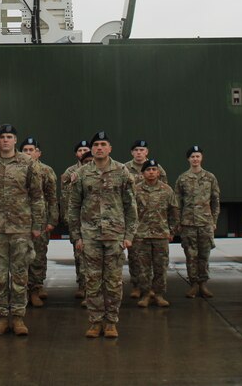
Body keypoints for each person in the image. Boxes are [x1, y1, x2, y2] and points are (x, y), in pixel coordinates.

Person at [66, 131, 136, 339]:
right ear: (91, 149)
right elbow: (73, 207)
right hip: (90, 236)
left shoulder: (122, 172)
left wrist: (129, 234)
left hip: (115, 235)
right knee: (93, 281)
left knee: (114, 281)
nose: (99, 148)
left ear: (110, 148)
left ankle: (111, 322)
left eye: (103, 144)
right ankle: (96, 322)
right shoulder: (82, 174)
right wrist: (77, 236)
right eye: (95, 144)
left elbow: (130, 206)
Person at [0, 124, 45, 337]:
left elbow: (36, 196)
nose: (5, 140)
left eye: (9, 137)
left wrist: (37, 225)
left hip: (20, 228)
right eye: (2, 137)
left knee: (19, 275)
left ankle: (17, 317)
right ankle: (0, 317)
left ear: (15, 140)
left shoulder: (27, 163)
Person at [123, 139, 168, 298]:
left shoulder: (158, 169)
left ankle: (153, 291)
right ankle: (136, 286)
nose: (139, 152)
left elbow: (164, 192)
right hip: (136, 223)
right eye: (136, 150)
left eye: (142, 150)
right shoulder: (125, 169)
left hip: (154, 221)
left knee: (155, 262)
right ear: (132, 152)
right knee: (135, 257)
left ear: (146, 152)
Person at [175, 145, 221, 298]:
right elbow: (177, 203)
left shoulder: (210, 177)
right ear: (188, 159)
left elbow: (215, 201)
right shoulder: (182, 179)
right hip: (188, 223)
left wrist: (214, 220)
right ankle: (193, 284)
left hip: (205, 223)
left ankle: (203, 284)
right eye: (192, 156)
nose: (195, 159)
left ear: (201, 158)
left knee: (204, 255)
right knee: (190, 255)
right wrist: (178, 222)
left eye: (197, 156)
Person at [132, 159, 179, 308]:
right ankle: (146, 294)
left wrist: (172, 230)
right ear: (142, 173)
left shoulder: (167, 190)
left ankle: (159, 295)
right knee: (143, 269)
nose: (151, 172)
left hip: (161, 235)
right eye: (148, 170)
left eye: (154, 169)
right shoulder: (136, 190)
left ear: (158, 172)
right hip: (142, 235)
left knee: (161, 267)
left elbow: (174, 211)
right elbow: (129, 212)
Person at [20, 137, 58, 307]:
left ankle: (35, 288)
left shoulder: (46, 171)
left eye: (32, 149)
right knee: (20, 256)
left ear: (38, 153)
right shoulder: (16, 169)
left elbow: (52, 197)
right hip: (19, 220)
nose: (29, 152)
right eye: (25, 150)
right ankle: (21, 291)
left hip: (40, 220)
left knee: (38, 256)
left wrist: (52, 219)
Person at [59, 140, 92, 300]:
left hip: (95, 223)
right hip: (78, 222)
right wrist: (68, 219)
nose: (83, 152)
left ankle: (92, 291)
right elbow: (66, 198)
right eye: (80, 150)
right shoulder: (70, 172)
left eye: (86, 149)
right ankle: (83, 285)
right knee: (80, 256)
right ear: (76, 154)